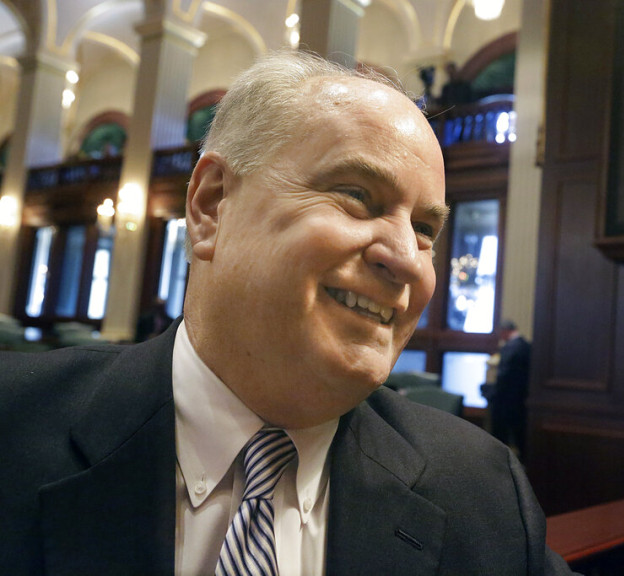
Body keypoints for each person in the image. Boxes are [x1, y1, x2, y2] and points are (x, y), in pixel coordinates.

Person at [0, 50, 573, 575]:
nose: (405, 259)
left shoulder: (484, 491)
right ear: (211, 205)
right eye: (356, 196)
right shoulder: (14, 425)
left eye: (424, 229)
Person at [489, 320, 532, 456]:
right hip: (522, 397)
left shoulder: (510, 348)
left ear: (504, 331)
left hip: (506, 398)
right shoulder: (526, 345)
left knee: (501, 433)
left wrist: (493, 392)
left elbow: (504, 375)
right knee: (520, 433)